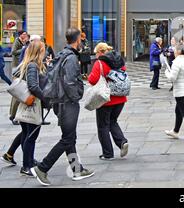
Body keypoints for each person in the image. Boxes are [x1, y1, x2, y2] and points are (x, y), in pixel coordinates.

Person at [31, 28, 95, 186]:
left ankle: (77, 169)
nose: (81, 42)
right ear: (77, 39)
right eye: (80, 39)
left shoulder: (61, 54)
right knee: (67, 139)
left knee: (70, 137)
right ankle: (42, 168)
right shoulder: (71, 58)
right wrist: (78, 95)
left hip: (60, 102)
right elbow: (70, 82)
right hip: (67, 103)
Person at [88, 43, 129, 160]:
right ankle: (122, 142)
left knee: (103, 126)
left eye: (96, 53)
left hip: (106, 100)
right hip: (121, 98)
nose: (96, 56)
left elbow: (92, 79)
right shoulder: (119, 60)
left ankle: (108, 153)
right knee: (112, 121)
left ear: (100, 52)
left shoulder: (100, 63)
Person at [15, 40, 49, 176]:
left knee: (26, 134)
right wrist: (45, 98)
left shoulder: (29, 64)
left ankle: (29, 160)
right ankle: (26, 166)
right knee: (31, 136)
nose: (45, 51)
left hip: (27, 104)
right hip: (33, 105)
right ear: (39, 51)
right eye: (43, 49)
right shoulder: (33, 66)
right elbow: (33, 86)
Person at [9, 30, 29, 125]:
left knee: (17, 93)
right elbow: (13, 52)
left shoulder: (24, 42)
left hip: (21, 68)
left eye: (26, 34)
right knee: (17, 93)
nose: (25, 35)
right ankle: (12, 115)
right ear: (20, 35)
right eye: (24, 34)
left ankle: (14, 115)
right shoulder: (17, 41)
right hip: (17, 68)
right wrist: (24, 48)